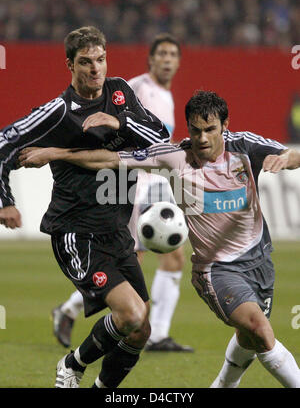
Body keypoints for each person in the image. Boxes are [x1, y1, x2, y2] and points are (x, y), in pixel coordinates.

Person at [21, 90, 300, 388]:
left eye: (210, 130)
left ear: (225, 125)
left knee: (249, 337)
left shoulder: (246, 147)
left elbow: (292, 154)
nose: (202, 138)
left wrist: (285, 160)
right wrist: (57, 153)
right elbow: (110, 160)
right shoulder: (174, 156)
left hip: (259, 262)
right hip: (216, 271)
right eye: (195, 130)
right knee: (258, 327)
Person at [0, 26, 170, 388]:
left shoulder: (120, 92)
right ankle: (71, 364)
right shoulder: (57, 113)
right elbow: (3, 144)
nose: (96, 69)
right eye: (85, 62)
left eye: (101, 59)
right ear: (69, 65)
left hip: (117, 230)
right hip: (77, 232)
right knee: (131, 315)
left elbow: (161, 138)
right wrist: (5, 201)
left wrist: (118, 121)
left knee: (140, 330)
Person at [52, 32, 193, 352]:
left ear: (179, 62)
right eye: (162, 54)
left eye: (173, 55)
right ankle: (71, 309)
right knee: (131, 258)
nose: (168, 60)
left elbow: (156, 141)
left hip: (150, 181)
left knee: (173, 254)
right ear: (151, 59)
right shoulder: (135, 87)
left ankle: (157, 333)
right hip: (125, 183)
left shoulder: (166, 95)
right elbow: (114, 128)